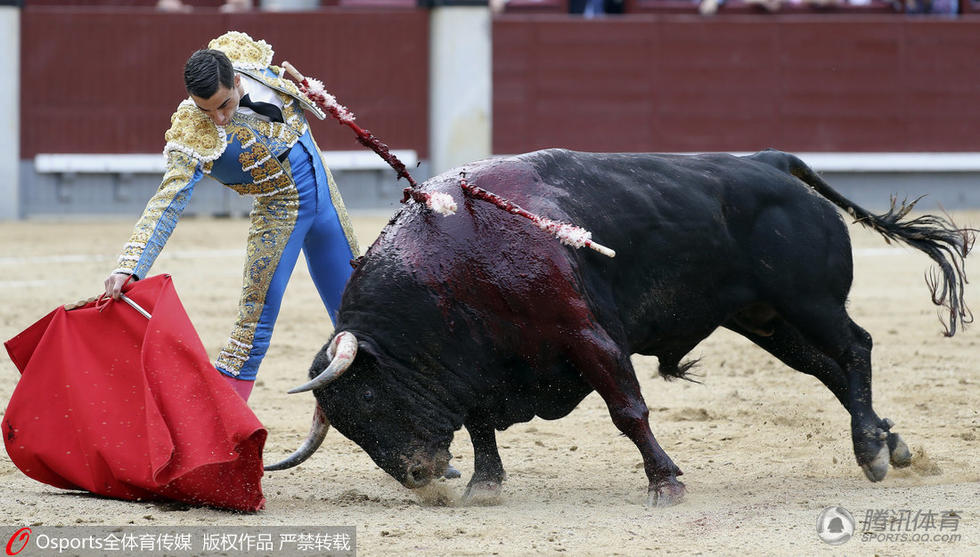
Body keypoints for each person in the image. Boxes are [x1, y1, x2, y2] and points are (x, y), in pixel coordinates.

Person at [105, 31, 360, 403]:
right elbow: (167, 201)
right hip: (280, 214)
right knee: (251, 330)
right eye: (206, 110)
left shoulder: (244, 56)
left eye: (224, 105)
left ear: (237, 80)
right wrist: (131, 264)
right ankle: (216, 434)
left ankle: (399, 416)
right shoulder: (193, 134)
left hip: (327, 201)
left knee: (358, 311)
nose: (219, 119)